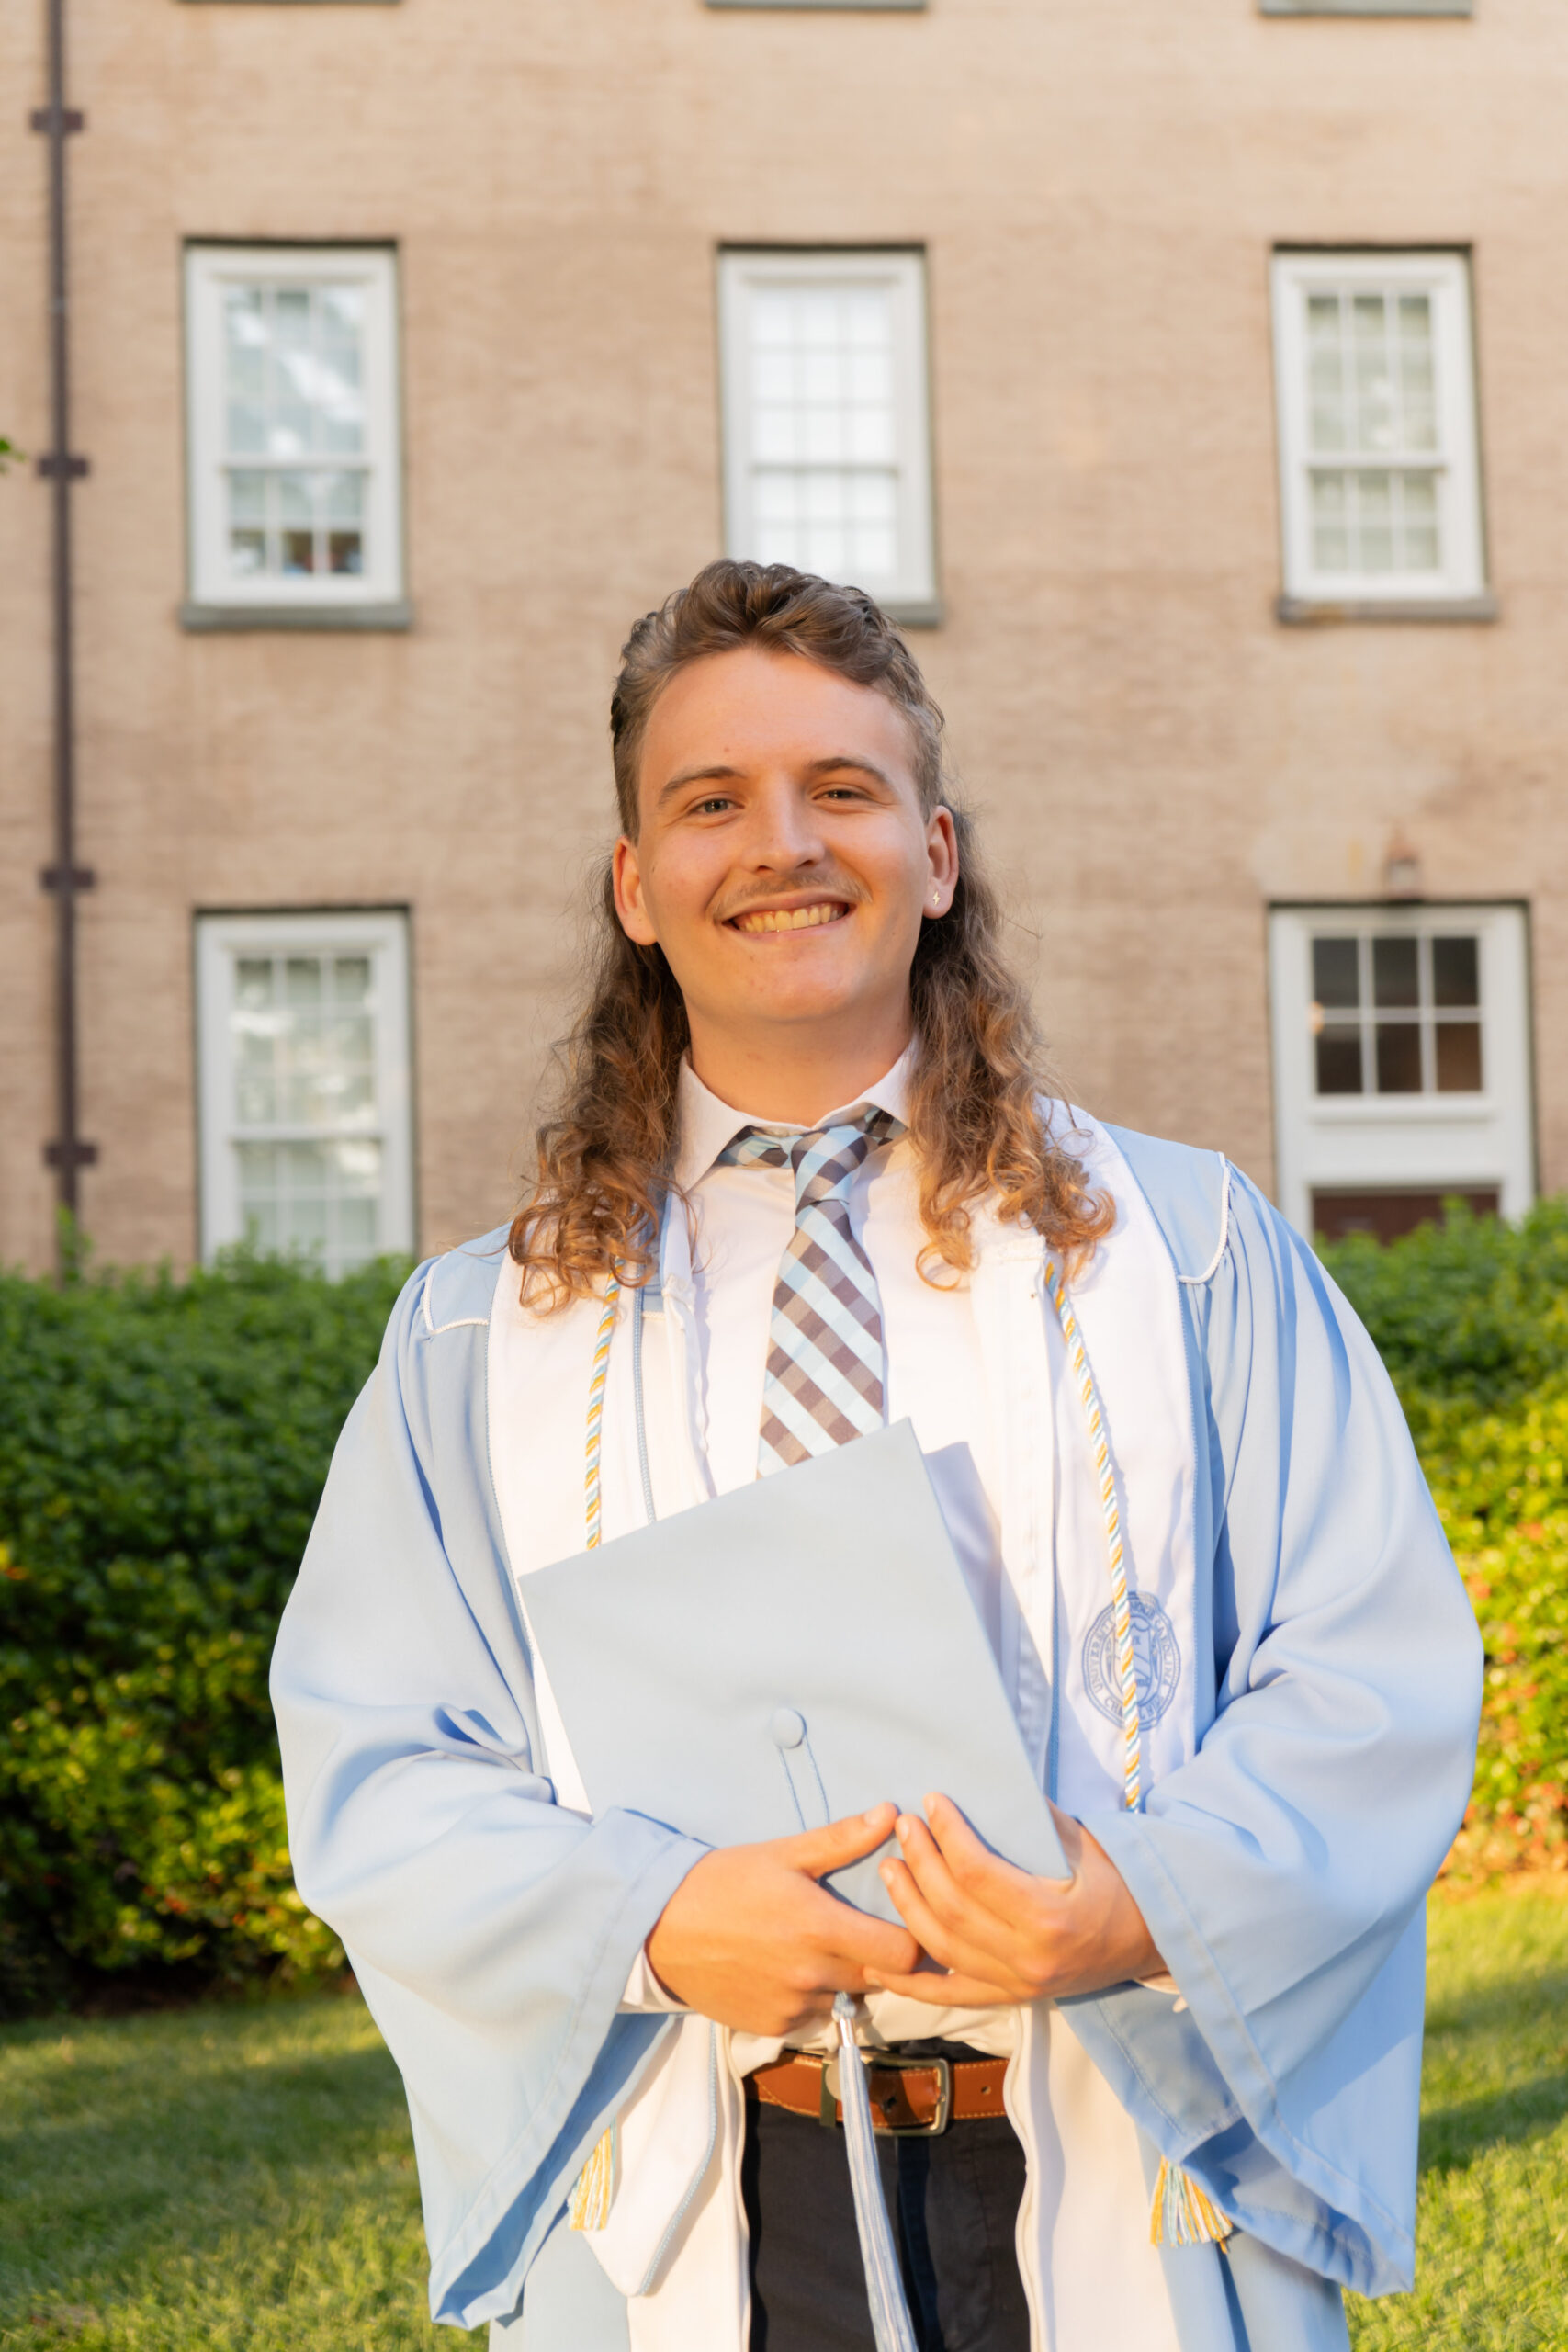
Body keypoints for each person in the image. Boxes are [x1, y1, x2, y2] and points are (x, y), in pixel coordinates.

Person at [272, 560, 1483, 2352]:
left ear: (933, 849)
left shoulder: (1185, 1249)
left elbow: (1368, 1667)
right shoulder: (480, 1335)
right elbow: (379, 1763)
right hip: (711, 2192)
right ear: (635, 883)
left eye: (838, 787)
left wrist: (1130, 1898)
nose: (780, 843)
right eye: (708, 801)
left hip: (1094, 2154)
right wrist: (660, 1913)